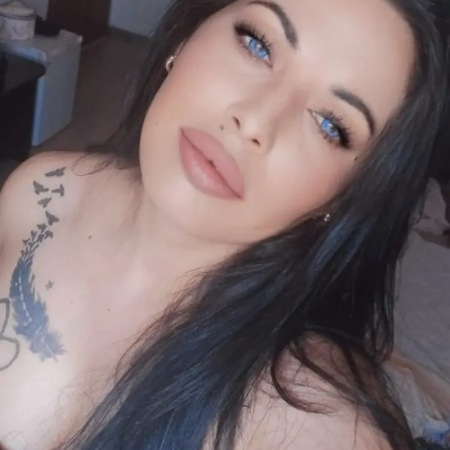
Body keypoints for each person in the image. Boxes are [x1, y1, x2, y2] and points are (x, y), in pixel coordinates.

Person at [0, 0, 448, 448]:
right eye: (258, 44)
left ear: (344, 197)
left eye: (331, 125)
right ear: (186, 36)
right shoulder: (40, 193)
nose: (255, 121)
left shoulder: (319, 428)